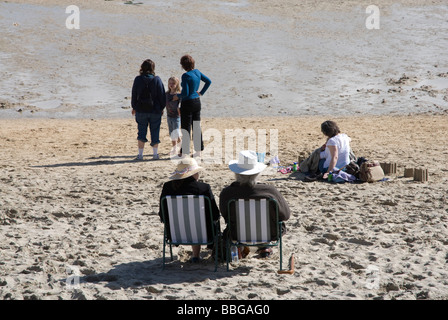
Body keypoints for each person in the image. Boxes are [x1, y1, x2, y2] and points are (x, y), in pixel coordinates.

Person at [219, 150, 291, 258]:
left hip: (236, 234)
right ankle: (264, 246)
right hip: (270, 233)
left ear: (236, 173)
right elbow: (286, 215)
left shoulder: (227, 193)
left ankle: (240, 247)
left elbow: (225, 215)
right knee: (267, 220)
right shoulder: (269, 191)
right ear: (257, 173)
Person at [159, 158, 220, 263]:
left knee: (191, 221)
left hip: (175, 233)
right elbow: (215, 214)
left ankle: (196, 255)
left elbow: (162, 214)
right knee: (199, 221)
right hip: (203, 234)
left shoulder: (168, 187)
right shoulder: (203, 188)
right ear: (193, 173)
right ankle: (196, 255)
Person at [131, 59, 166, 161]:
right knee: (155, 131)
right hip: (155, 110)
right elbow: (162, 95)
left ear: (142, 68)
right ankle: (155, 155)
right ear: (153, 68)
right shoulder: (157, 79)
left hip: (141, 110)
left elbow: (134, 95)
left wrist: (134, 107)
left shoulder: (138, 79)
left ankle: (140, 155)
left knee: (141, 132)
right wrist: (161, 108)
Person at [177, 54, 211, 158]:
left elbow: (185, 93)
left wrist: (177, 96)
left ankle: (185, 152)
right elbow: (208, 81)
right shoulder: (197, 72)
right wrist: (201, 92)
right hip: (197, 101)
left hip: (187, 103)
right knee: (196, 126)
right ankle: (198, 152)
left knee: (186, 127)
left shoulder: (185, 76)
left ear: (183, 65)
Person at [165, 76, 182, 156]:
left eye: (173, 83)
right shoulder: (166, 94)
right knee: (172, 133)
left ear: (177, 84)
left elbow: (181, 104)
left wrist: (180, 109)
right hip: (169, 115)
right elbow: (163, 103)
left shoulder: (178, 94)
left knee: (176, 133)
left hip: (176, 117)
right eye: (170, 83)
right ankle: (174, 149)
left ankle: (181, 147)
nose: (171, 85)